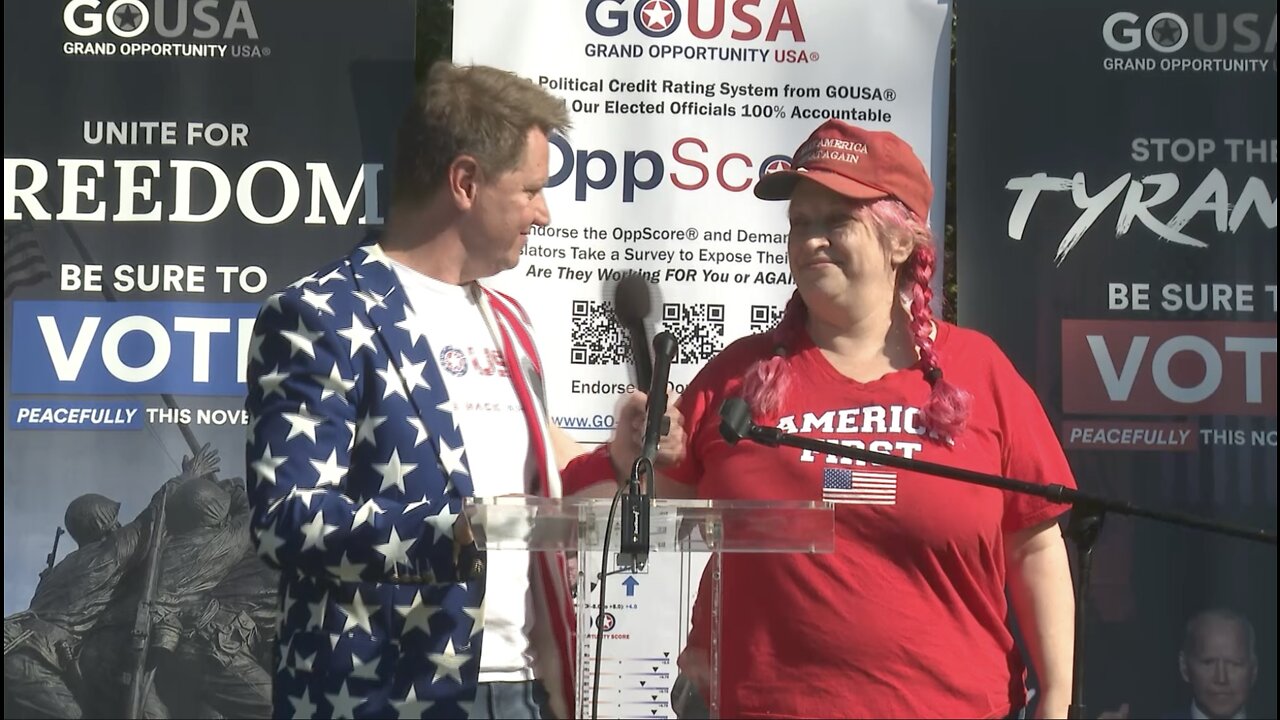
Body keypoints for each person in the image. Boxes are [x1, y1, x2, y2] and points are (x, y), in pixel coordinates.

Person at [244, 60, 683, 720]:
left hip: (528, 688)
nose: (545, 212)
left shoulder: (511, 321)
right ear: (466, 182)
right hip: (385, 691)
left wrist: (618, 457)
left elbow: (545, 486)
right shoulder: (321, 314)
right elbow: (286, 521)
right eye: (532, 189)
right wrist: (450, 532)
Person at [655, 119, 1076, 719]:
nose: (810, 240)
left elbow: (1034, 547)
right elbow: (644, 505)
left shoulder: (979, 369)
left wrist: (1056, 697)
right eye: (800, 222)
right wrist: (638, 455)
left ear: (900, 242)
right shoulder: (736, 376)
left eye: (835, 221)